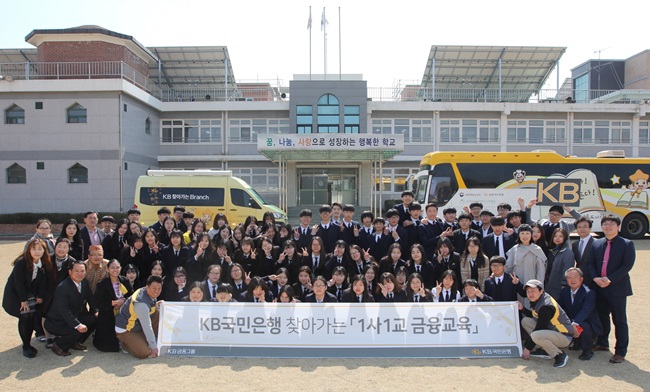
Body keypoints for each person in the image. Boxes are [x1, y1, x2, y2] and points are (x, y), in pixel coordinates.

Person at [587, 214, 635, 364]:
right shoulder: (596, 243)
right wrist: (595, 278)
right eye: (605, 224)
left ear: (618, 226)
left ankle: (620, 351)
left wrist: (610, 279)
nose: (608, 227)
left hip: (617, 288)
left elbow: (627, 265)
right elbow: (590, 263)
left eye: (611, 224)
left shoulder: (626, 243)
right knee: (602, 317)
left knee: (619, 320)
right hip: (599, 286)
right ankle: (602, 342)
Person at [3, 238, 53, 358]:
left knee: (31, 316)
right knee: (25, 316)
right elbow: (18, 283)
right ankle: (26, 345)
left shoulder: (44, 263)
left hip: (32, 295)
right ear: (28, 250)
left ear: (44, 250)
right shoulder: (21, 263)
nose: (37, 252)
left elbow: (43, 281)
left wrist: (40, 296)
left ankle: (28, 343)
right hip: (17, 295)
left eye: (40, 249)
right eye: (34, 249)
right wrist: (23, 300)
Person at [45, 260, 97, 357]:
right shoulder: (62, 288)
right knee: (77, 330)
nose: (79, 274)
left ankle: (75, 342)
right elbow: (64, 311)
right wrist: (78, 325)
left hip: (74, 315)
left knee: (93, 320)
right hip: (56, 321)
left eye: (82, 271)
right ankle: (58, 346)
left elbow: (90, 298)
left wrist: (95, 311)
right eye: (76, 271)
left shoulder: (84, 282)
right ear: (70, 272)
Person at [520, 279, 574, 368]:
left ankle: (559, 355)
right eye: (528, 291)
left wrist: (527, 348)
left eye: (533, 291)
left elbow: (539, 327)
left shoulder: (546, 306)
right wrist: (523, 309)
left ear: (541, 291)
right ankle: (544, 349)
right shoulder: (540, 299)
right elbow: (536, 317)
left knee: (536, 335)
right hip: (552, 331)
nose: (530, 294)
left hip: (564, 336)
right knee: (526, 321)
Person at [557, 267, 603, 361]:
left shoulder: (589, 293)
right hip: (572, 320)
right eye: (569, 277)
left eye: (575, 277)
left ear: (581, 279)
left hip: (588, 322)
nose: (572, 280)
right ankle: (576, 342)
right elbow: (560, 308)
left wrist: (574, 323)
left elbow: (585, 311)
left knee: (583, 325)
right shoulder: (565, 291)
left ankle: (587, 350)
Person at [115, 275, 163, 359]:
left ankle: (146, 340)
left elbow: (150, 309)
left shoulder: (145, 292)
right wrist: (154, 348)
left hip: (136, 324)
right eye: (154, 288)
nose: (157, 291)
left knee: (158, 312)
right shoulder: (141, 303)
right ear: (147, 287)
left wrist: (156, 306)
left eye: (159, 288)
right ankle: (124, 344)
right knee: (144, 353)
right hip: (126, 329)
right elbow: (147, 326)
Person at [93, 259, 133, 352]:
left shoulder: (125, 281)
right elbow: (98, 302)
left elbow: (131, 296)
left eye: (117, 267)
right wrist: (114, 303)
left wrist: (124, 301)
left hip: (124, 312)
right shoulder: (102, 284)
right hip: (108, 313)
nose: (115, 270)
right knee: (107, 345)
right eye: (112, 268)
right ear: (107, 269)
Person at [505, 224, 546, 305]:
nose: (525, 236)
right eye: (522, 233)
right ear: (519, 235)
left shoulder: (537, 250)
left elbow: (541, 271)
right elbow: (508, 268)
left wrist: (539, 286)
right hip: (517, 283)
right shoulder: (514, 249)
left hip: (532, 283)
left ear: (531, 235)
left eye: (527, 233)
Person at [545, 228, 575, 300]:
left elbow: (567, 271)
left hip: (559, 287)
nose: (557, 238)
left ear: (565, 238)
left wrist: (563, 285)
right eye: (555, 236)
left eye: (560, 236)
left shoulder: (567, 252)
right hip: (549, 285)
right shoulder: (553, 251)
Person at [572, 216, 595, 285]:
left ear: (590, 228)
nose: (582, 229)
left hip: (593, 279)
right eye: (579, 227)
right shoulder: (575, 245)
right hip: (580, 279)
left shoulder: (597, 243)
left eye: (585, 227)